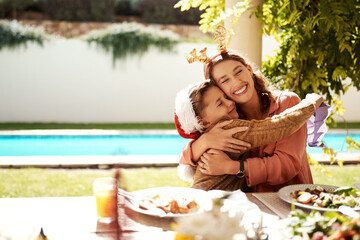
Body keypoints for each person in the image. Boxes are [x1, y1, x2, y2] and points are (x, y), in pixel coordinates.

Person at [175, 78, 324, 191]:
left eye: (226, 97)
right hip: (210, 206)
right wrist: (310, 103)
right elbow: (280, 126)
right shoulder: (230, 129)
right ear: (203, 122)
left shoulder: (210, 131)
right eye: (220, 103)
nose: (230, 103)